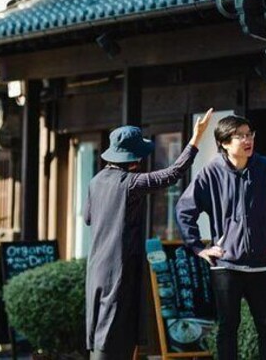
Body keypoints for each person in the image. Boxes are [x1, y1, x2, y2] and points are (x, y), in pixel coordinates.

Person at [85, 109, 213, 360]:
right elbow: (172, 174)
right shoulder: (130, 183)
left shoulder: (95, 181)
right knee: (117, 331)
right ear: (134, 159)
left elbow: (89, 219)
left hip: (97, 268)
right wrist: (195, 139)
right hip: (120, 267)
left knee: (101, 328)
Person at [176, 115, 266, 360]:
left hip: (261, 264)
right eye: (240, 135)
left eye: (250, 133)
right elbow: (185, 209)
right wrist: (198, 248)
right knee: (228, 327)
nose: (248, 139)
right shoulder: (211, 171)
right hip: (226, 265)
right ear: (225, 142)